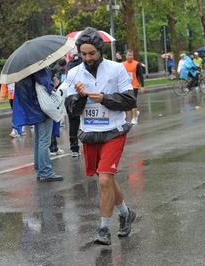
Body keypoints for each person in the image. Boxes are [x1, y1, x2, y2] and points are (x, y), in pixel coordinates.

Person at [65, 27, 136, 245]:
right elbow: (71, 110)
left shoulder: (116, 69)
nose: (87, 58)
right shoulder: (73, 74)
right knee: (105, 179)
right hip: (90, 133)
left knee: (105, 179)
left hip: (113, 131)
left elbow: (129, 101)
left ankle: (104, 229)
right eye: (83, 54)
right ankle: (125, 213)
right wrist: (78, 97)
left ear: (100, 50)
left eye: (92, 53)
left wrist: (104, 98)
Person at [13, 67, 64, 182]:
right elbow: (48, 87)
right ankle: (45, 172)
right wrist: (55, 83)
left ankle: (40, 170)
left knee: (39, 140)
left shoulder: (23, 71)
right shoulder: (40, 68)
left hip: (33, 108)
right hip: (43, 108)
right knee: (44, 141)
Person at [65, 52, 83, 157]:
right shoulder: (83, 65)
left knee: (73, 124)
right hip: (82, 96)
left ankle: (74, 148)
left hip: (71, 98)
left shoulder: (68, 65)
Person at [122, 49, 145, 124]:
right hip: (125, 85)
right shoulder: (122, 64)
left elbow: (140, 75)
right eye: (128, 55)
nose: (130, 57)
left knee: (133, 101)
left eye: (131, 55)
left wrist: (142, 86)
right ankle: (135, 112)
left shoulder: (136, 64)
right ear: (126, 56)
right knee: (127, 101)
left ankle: (134, 118)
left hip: (134, 85)